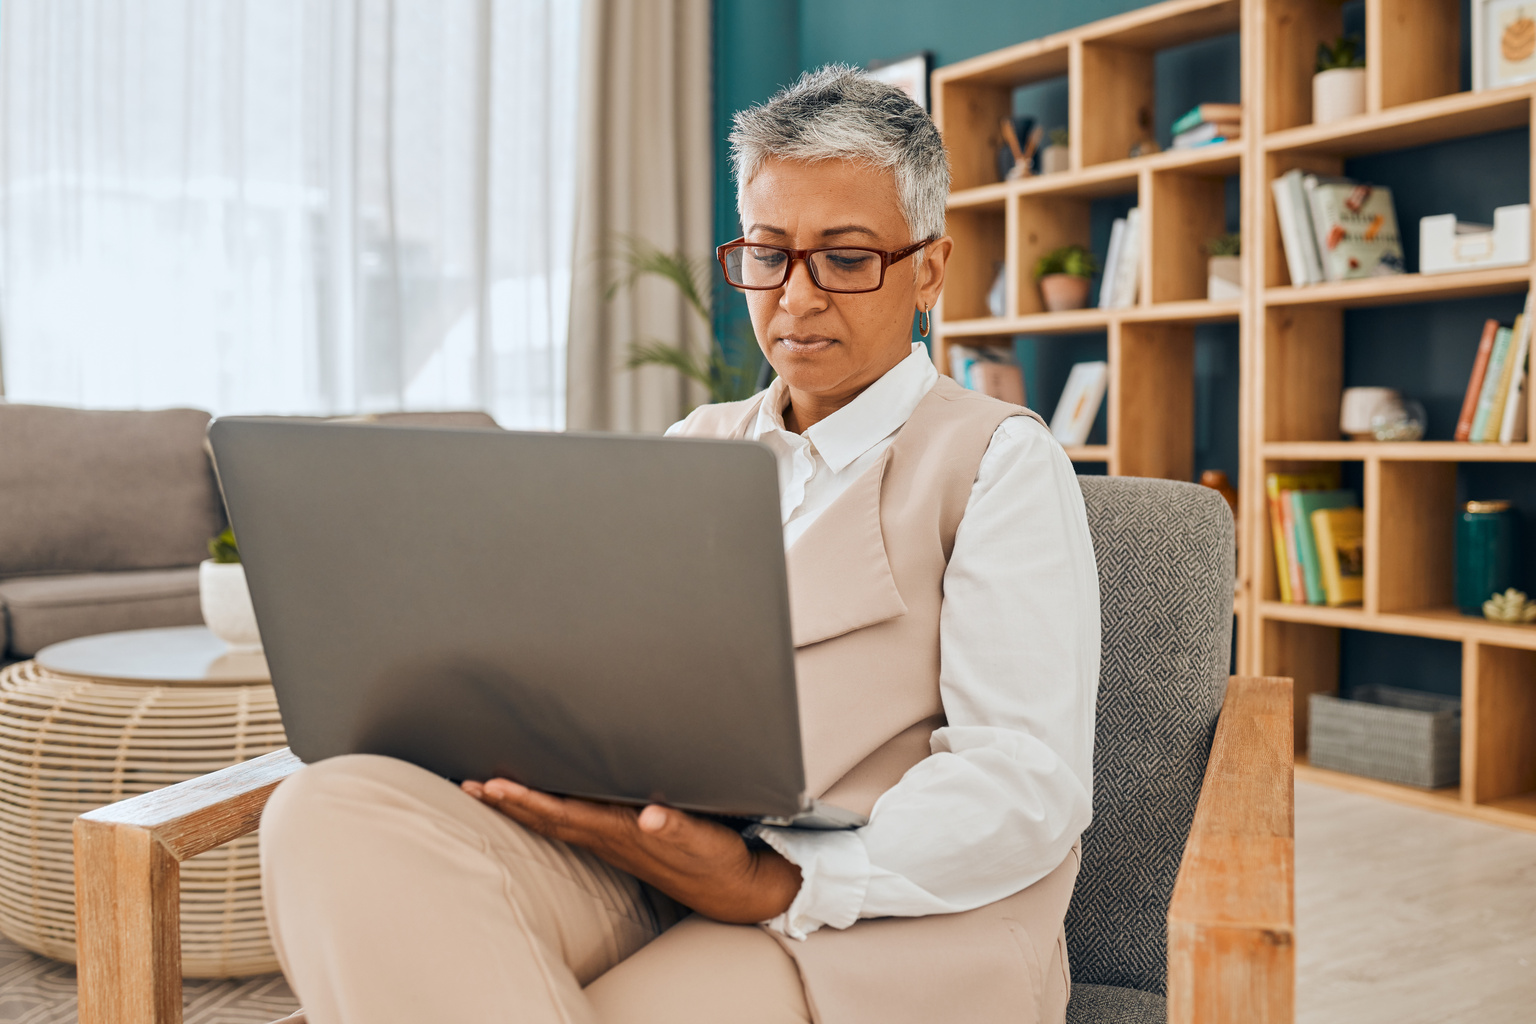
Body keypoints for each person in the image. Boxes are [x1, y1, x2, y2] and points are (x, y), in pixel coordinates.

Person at [259, 64, 1099, 1024]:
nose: (798, 296)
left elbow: (1024, 783)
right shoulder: (694, 447)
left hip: (872, 917)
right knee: (328, 813)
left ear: (929, 271)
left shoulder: (998, 460)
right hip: (653, 862)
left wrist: (778, 878)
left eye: (847, 256)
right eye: (770, 253)